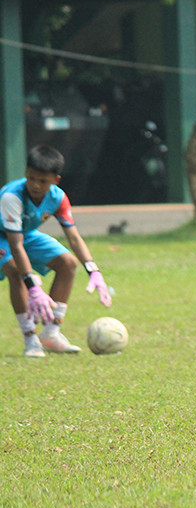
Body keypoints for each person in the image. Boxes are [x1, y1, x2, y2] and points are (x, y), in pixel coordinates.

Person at [1, 145, 113, 357]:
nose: (35, 185)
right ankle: (30, 338)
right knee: (16, 270)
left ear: (56, 180)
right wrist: (32, 286)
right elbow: (15, 245)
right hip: (5, 237)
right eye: (31, 178)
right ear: (26, 173)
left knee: (68, 263)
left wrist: (93, 270)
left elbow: (73, 237)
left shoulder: (58, 197)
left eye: (42, 181)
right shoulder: (11, 197)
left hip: (25, 234)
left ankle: (51, 334)